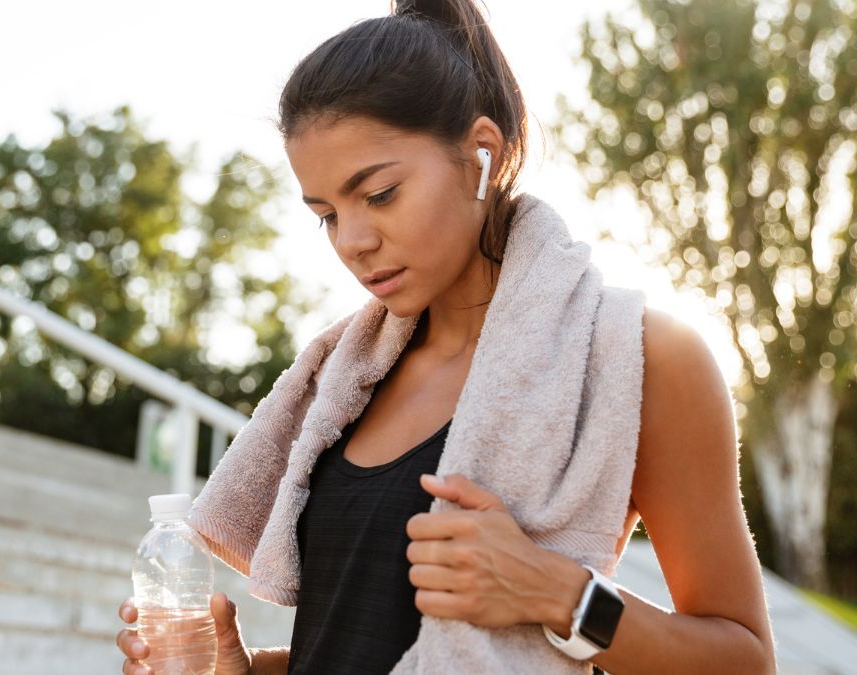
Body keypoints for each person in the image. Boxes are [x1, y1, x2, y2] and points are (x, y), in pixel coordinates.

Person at [118, 0, 776, 673]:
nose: (353, 241)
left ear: (480, 155)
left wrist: (559, 592)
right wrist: (245, 666)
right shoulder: (341, 381)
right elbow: (364, 640)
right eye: (326, 216)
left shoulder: (638, 357)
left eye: (378, 194)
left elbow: (745, 658)